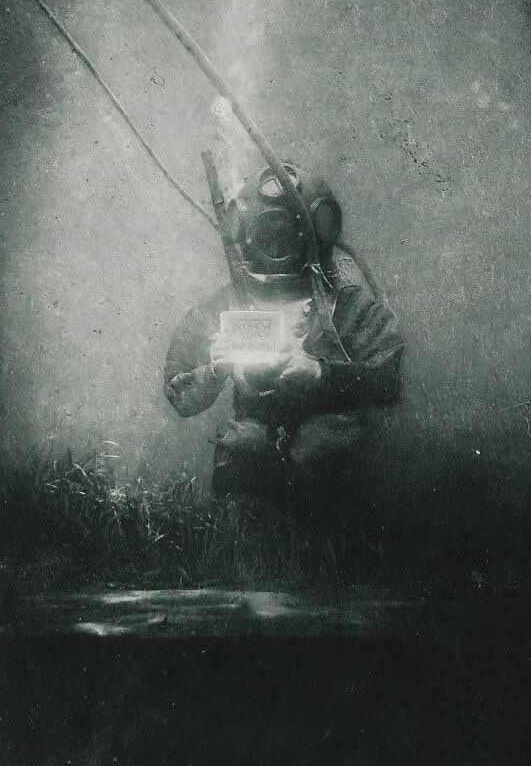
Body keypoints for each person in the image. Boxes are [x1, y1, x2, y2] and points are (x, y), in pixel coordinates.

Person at [164, 163, 404, 510]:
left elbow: (388, 379)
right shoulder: (221, 307)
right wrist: (213, 373)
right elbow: (180, 394)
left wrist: (323, 374)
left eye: (286, 235)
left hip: (335, 485)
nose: (278, 245)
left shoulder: (350, 307)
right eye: (269, 235)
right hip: (249, 481)